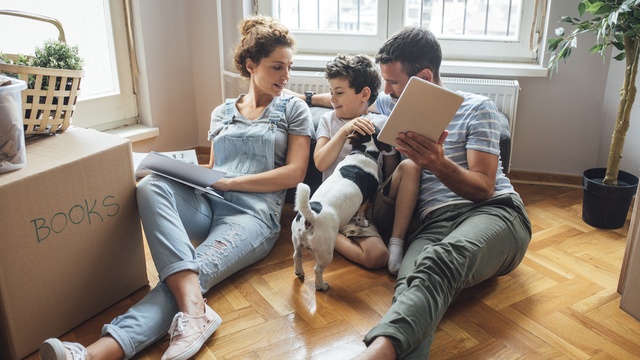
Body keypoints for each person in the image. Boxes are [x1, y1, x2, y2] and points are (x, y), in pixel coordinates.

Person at [39, 15, 314, 360]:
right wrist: (181, 169)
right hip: (210, 201)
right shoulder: (222, 112)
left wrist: (229, 182)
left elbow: (294, 173)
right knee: (151, 186)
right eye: (277, 68)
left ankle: (92, 354)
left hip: (253, 217)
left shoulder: (295, 108)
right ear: (251, 65)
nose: (285, 76)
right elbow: (213, 169)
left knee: (188, 276)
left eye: (289, 67)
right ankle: (195, 313)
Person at [347, 26, 533, 359]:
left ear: (425, 77)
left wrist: (438, 164)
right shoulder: (391, 108)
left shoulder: (478, 108)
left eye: (393, 83)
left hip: (495, 213)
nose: (385, 91)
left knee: (436, 262)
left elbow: (484, 188)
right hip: (432, 224)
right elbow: (347, 103)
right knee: (408, 287)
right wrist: (303, 99)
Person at [313, 53, 421, 273]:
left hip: (373, 202)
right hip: (344, 206)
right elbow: (320, 163)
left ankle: (397, 242)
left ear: (364, 94)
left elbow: (389, 175)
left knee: (411, 167)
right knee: (376, 257)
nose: (332, 98)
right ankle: (319, 230)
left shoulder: (381, 122)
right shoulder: (329, 122)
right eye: (332, 91)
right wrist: (345, 130)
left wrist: (388, 148)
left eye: (339, 92)